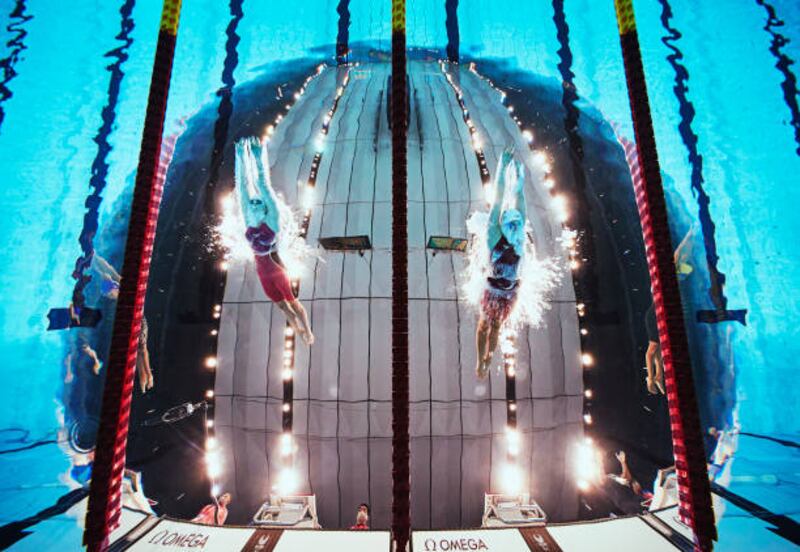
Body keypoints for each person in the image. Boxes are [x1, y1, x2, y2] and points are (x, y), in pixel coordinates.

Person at [235, 136, 314, 345]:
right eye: (250, 202)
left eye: (256, 202)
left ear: (265, 206)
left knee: (293, 304)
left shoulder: (272, 220)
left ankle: (307, 329)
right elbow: (243, 187)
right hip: (263, 273)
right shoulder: (248, 220)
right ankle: (297, 329)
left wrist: (259, 156)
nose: (251, 203)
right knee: (281, 306)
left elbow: (263, 183)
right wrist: (240, 157)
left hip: (277, 268)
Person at [475, 147, 527, 378]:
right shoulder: (493, 233)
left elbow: (519, 196)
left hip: (508, 291)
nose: (515, 229)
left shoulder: (517, 236)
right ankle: (480, 360)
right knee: (485, 324)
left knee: (495, 326)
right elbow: (498, 197)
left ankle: (488, 359)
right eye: (512, 223)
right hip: (494, 288)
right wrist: (503, 164)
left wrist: (518, 176)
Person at [92, 254, 154, 393]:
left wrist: (97, 260)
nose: (109, 297)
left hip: (139, 322)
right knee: (140, 351)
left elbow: (109, 270)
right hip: (136, 321)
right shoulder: (117, 288)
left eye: (109, 294)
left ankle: (148, 376)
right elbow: (108, 269)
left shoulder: (121, 290)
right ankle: (144, 377)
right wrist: (96, 259)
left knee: (142, 351)